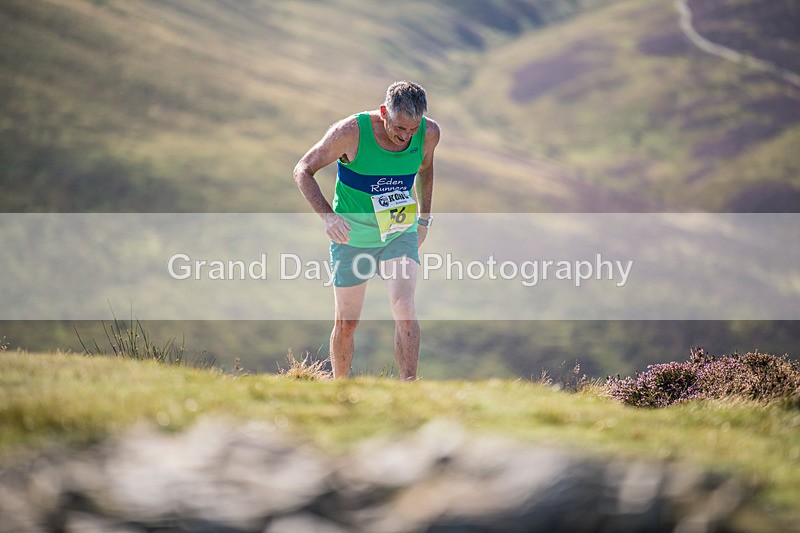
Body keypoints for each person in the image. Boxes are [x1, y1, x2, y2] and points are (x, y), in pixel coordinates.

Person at [293, 81, 440, 380]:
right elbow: (303, 169)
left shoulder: (429, 133)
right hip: (352, 235)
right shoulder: (351, 132)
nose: (406, 136)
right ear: (384, 112)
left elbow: (425, 169)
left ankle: (409, 388)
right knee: (347, 322)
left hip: (398, 231)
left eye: (413, 129)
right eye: (400, 128)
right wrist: (328, 218)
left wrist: (424, 220)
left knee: (405, 308)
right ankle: (341, 389)